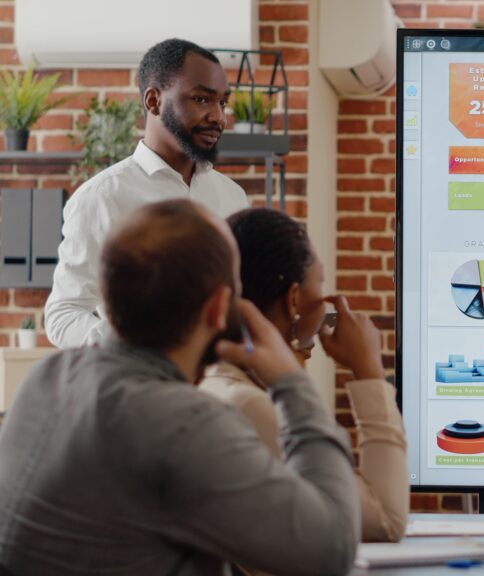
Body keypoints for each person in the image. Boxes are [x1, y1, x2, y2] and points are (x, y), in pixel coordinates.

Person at [0, 200, 360, 575]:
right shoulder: (184, 425)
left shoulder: (44, 380)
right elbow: (331, 550)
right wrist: (291, 382)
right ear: (221, 306)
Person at [200, 207, 409, 542]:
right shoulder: (252, 408)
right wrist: (368, 369)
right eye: (321, 284)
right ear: (294, 300)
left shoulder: (216, 383)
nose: (328, 303)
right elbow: (385, 519)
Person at [45, 38, 248, 349]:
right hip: (142, 389)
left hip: (221, 389)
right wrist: (139, 347)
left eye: (222, 103)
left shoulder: (233, 196)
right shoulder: (102, 197)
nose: (219, 117)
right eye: (201, 100)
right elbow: (63, 314)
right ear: (153, 101)